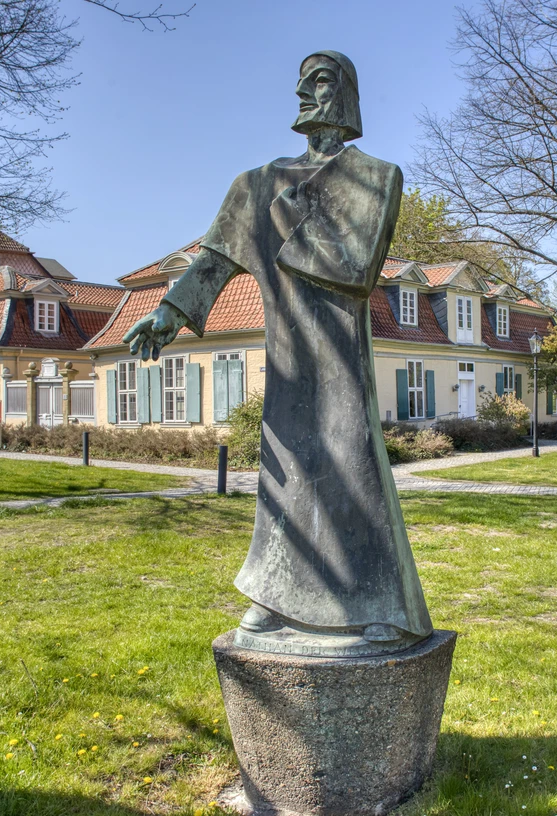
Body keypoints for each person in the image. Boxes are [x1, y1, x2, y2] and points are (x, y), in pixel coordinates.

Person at [122, 51, 432, 656]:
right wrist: (169, 310)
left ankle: (378, 603)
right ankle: (273, 594)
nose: (301, 93)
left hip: (341, 358)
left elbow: (351, 266)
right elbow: (213, 259)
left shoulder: (376, 177)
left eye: (317, 81)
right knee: (284, 475)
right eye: (300, 81)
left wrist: (288, 207)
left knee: (354, 467)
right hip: (289, 359)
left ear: (345, 95)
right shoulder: (255, 184)